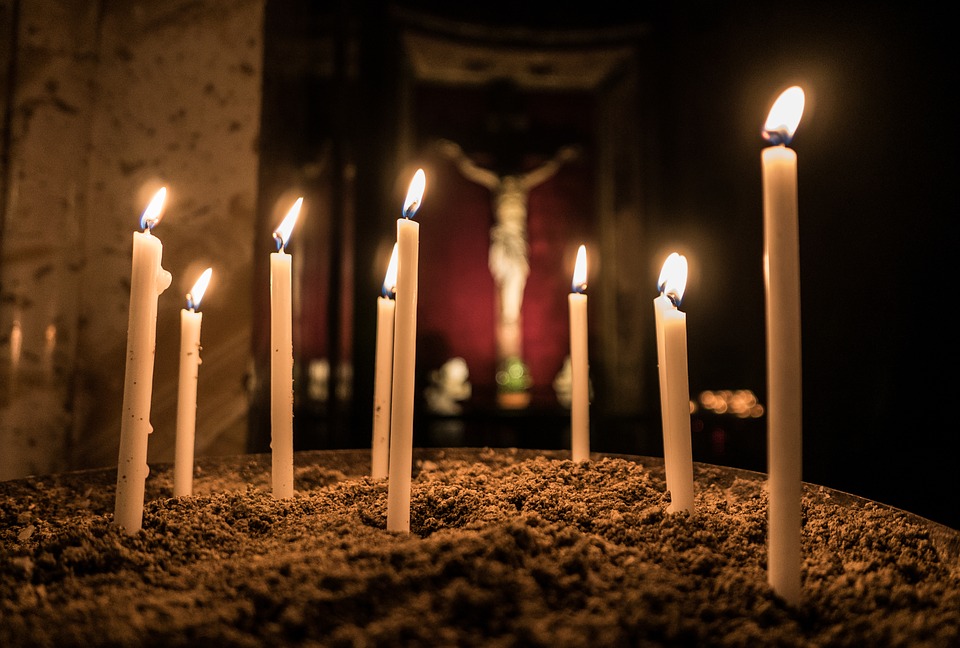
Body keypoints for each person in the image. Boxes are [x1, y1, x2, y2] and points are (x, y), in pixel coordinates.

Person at [436, 139, 580, 375]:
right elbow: (472, 170)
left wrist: (560, 158)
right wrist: (457, 154)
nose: (512, 185)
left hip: (516, 242)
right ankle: (508, 325)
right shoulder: (499, 182)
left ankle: (511, 322)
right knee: (505, 286)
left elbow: (545, 170)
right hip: (502, 240)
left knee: (515, 286)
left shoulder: (522, 182)